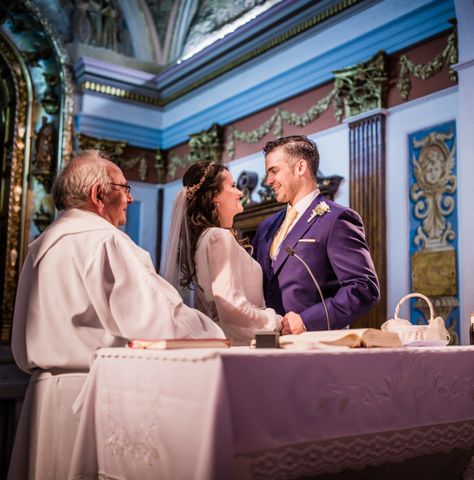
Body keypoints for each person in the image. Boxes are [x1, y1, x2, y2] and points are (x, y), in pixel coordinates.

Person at [9, 150, 223, 480]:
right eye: (124, 188)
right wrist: (223, 336)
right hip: (89, 397)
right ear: (98, 194)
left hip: (42, 398)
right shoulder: (104, 239)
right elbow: (161, 320)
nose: (129, 199)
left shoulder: (41, 245)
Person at [253, 135, 380, 334]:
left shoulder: (336, 219)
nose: (268, 181)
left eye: (274, 171)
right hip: (265, 343)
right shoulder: (265, 227)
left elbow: (363, 288)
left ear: (300, 167)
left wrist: (307, 321)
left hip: (314, 344)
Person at [162, 160, 282, 345]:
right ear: (215, 196)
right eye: (233, 186)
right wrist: (274, 320)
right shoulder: (219, 237)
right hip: (241, 342)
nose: (240, 192)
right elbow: (230, 306)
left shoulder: (205, 238)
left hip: (237, 338)